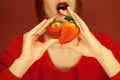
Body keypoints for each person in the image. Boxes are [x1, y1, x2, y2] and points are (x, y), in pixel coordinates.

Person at [0, 0, 120, 80]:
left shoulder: (104, 46)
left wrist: (103, 56)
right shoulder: (19, 49)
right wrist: (22, 63)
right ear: (41, 4)